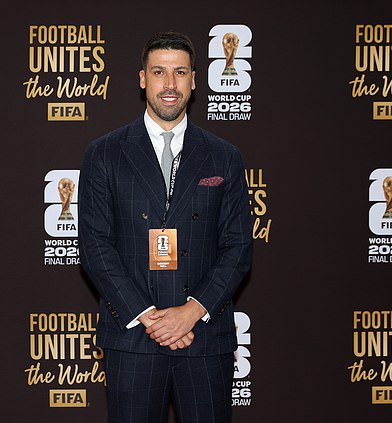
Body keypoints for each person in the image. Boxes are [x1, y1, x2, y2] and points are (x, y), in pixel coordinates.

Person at [78, 31, 253, 423]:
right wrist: (148, 316)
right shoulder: (104, 153)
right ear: (142, 79)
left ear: (194, 80)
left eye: (180, 72)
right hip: (133, 340)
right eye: (159, 72)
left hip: (204, 338)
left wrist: (190, 312)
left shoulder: (224, 156)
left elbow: (238, 246)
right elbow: (94, 245)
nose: (170, 84)